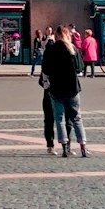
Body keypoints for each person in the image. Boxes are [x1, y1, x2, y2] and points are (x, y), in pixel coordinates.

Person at [41, 25, 88, 158]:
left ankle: (63, 147)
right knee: (77, 117)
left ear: (56, 36)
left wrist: (46, 82)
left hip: (56, 88)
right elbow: (80, 68)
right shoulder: (73, 49)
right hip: (73, 88)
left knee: (59, 118)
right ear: (68, 35)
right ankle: (83, 144)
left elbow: (46, 69)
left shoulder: (51, 49)